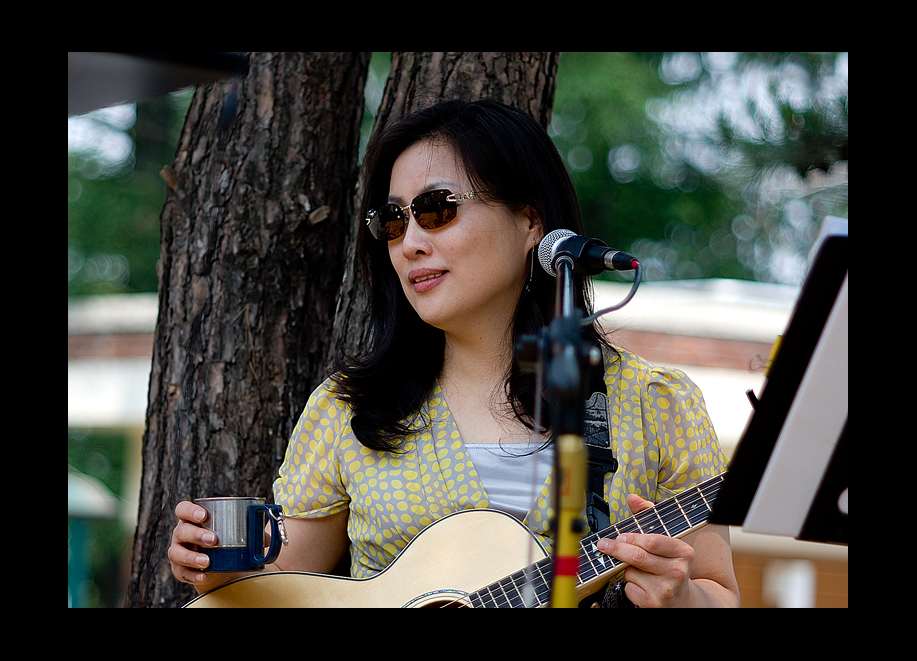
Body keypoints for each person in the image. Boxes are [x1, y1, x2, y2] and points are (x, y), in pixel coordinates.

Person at [169, 99, 740, 608]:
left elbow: (719, 593)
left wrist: (682, 598)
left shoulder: (655, 402)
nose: (411, 243)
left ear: (530, 222)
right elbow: (278, 590)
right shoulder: (347, 410)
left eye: (437, 209)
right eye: (393, 221)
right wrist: (214, 568)